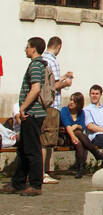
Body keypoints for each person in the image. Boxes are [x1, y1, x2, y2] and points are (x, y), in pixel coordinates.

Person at [11, 38, 49, 195]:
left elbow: (35, 89)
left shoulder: (35, 65)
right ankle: (17, 183)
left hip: (32, 113)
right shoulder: (39, 65)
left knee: (32, 150)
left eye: (27, 47)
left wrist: (22, 108)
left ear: (34, 49)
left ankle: (35, 184)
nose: (25, 49)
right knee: (23, 149)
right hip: (32, 113)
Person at [41, 35, 73, 183]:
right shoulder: (52, 61)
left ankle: (47, 170)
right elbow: (52, 86)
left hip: (48, 105)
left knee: (48, 139)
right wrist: (65, 83)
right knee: (47, 138)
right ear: (59, 46)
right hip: (52, 105)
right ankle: (43, 172)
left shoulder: (44, 58)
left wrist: (63, 77)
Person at [59, 91, 103, 178]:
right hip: (64, 136)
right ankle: (95, 153)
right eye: (71, 100)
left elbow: (82, 126)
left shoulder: (81, 113)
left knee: (79, 141)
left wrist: (76, 126)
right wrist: (73, 136)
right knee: (78, 134)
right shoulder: (64, 110)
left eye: (74, 101)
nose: (71, 102)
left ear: (79, 104)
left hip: (77, 136)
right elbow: (67, 126)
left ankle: (80, 169)